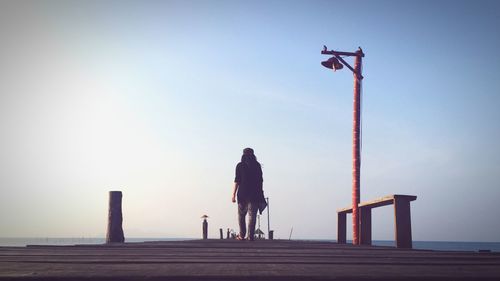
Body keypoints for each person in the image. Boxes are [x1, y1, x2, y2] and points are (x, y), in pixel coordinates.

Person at [231, 147, 265, 241]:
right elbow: (260, 181)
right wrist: (261, 193)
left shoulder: (240, 165)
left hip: (242, 193)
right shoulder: (257, 166)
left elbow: (237, 181)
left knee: (241, 215)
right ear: (253, 155)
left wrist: (233, 194)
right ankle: (250, 236)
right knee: (252, 216)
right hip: (255, 194)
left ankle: (242, 235)